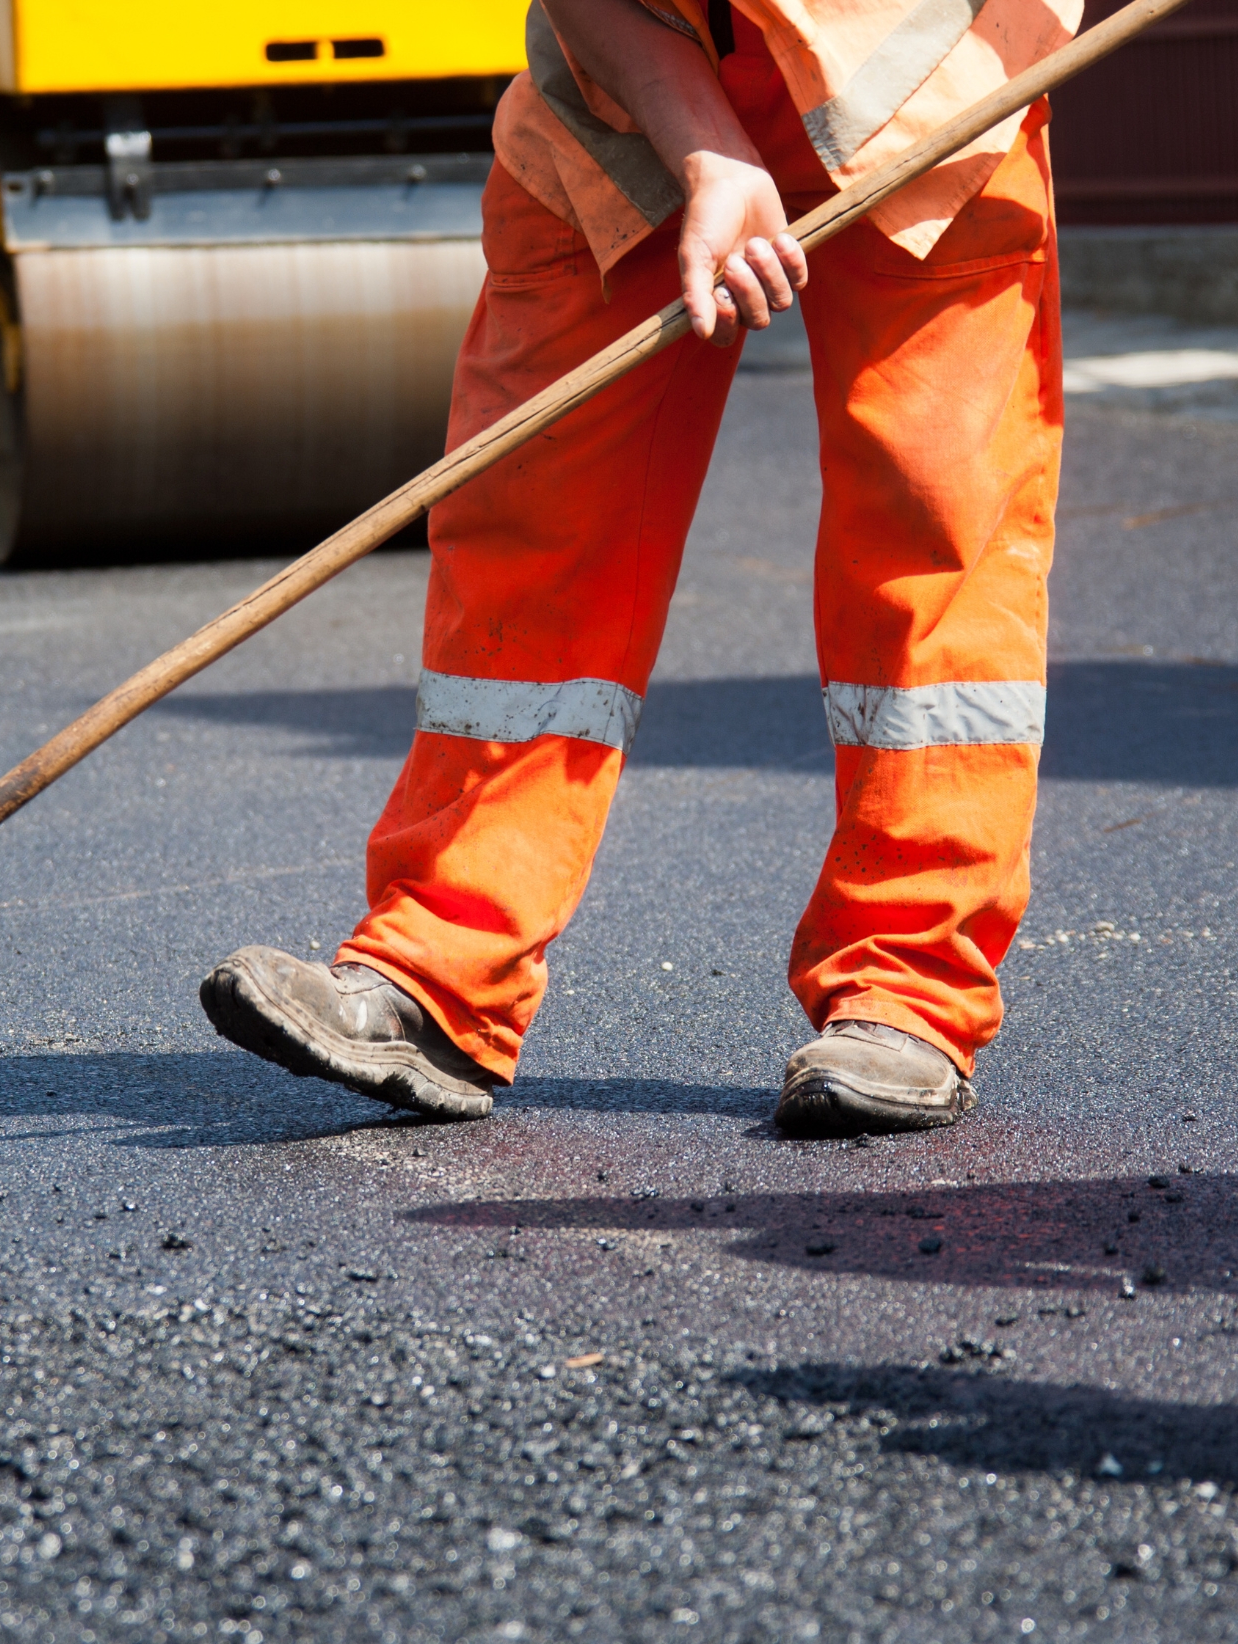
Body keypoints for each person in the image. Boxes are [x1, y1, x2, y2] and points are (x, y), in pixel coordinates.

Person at [201, 0, 1079, 1137]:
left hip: (930, 93)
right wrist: (705, 148)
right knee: (531, 518)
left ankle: (908, 989)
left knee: (934, 530)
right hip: (617, 102)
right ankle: (439, 971)